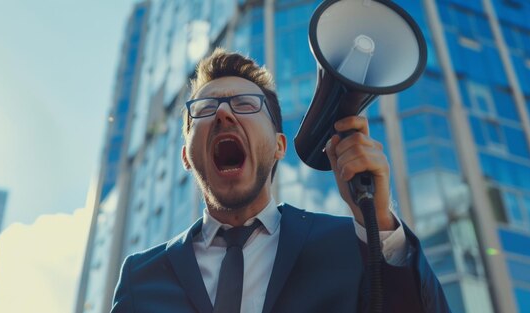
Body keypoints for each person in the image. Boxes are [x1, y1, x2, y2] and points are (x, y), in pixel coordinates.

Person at [111, 49, 450, 313]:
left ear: (278, 146)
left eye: (245, 104)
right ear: (185, 156)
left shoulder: (349, 245)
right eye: (205, 107)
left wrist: (378, 220)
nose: (223, 114)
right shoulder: (140, 278)